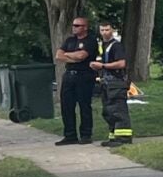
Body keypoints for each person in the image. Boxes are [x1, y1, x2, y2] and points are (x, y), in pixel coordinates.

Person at [53, 13, 96, 145]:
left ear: (85, 27)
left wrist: (68, 55)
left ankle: (86, 135)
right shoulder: (70, 40)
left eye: (77, 25)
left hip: (84, 76)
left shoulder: (90, 40)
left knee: (84, 105)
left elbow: (82, 56)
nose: (74, 28)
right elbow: (58, 55)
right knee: (67, 106)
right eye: (73, 25)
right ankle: (70, 135)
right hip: (69, 75)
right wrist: (71, 56)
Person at [94, 18, 135, 147]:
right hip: (106, 84)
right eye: (102, 30)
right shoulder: (102, 47)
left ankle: (124, 138)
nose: (105, 32)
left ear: (112, 30)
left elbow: (121, 63)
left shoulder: (116, 46)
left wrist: (103, 66)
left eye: (107, 29)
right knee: (108, 111)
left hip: (116, 82)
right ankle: (113, 137)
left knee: (118, 110)